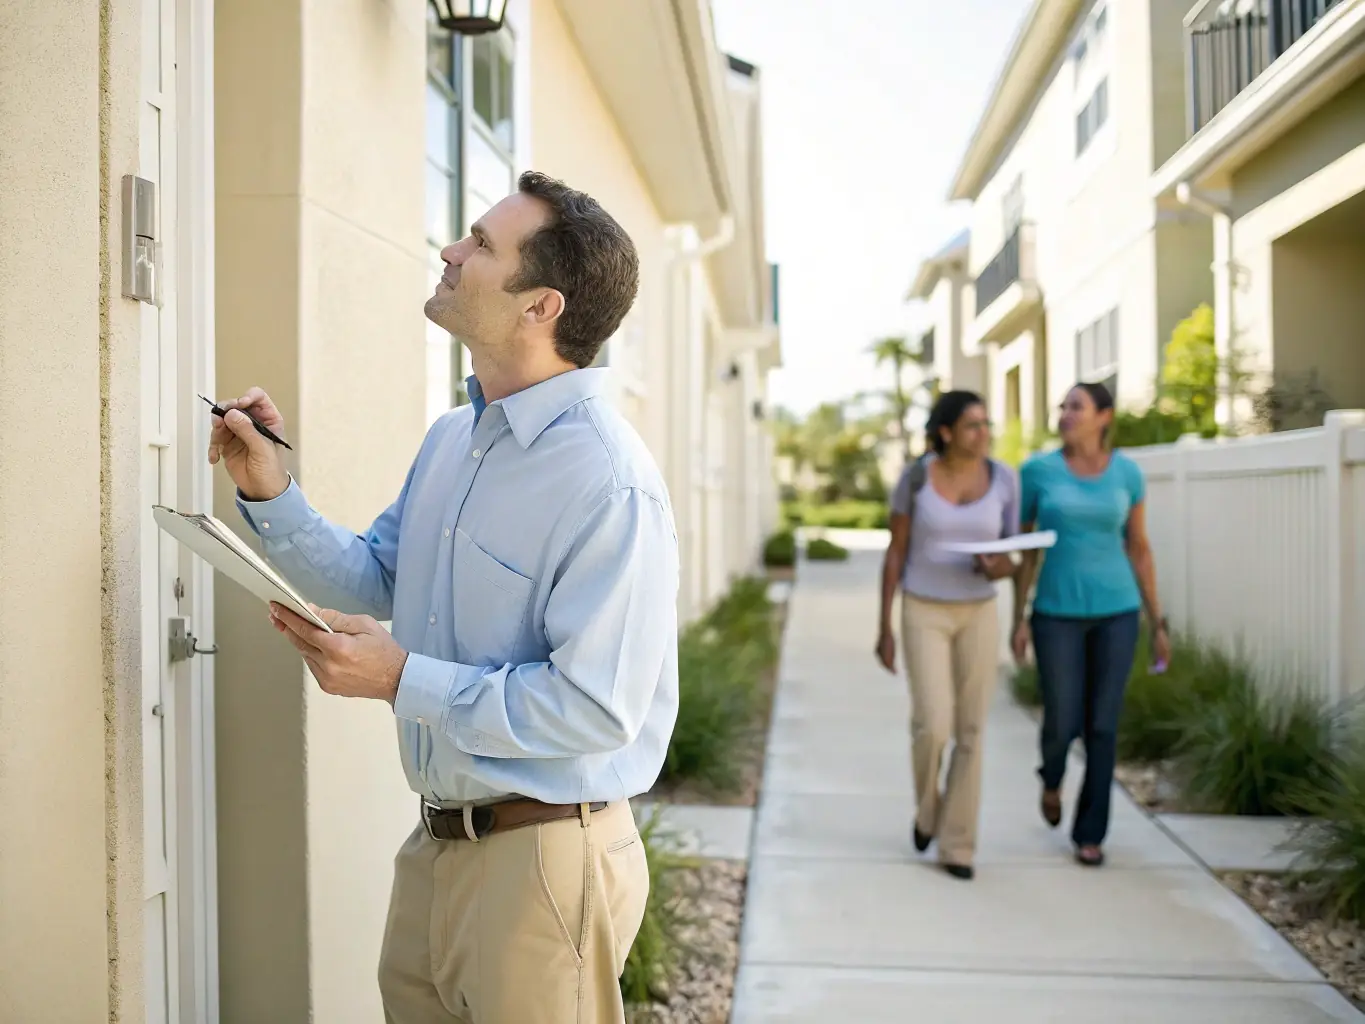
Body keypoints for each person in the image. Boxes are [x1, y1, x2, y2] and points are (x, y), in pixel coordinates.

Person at [207, 171, 678, 1023]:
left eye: (481, 245)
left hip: (544, 862)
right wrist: (269, 488)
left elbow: (595, 709)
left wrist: (397, 680)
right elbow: (375, 579)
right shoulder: (453, 439)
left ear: (541, 306)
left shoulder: (609, 482)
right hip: (435, 849)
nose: (450, 251)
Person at [1011, 382, 1168, 868]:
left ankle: (1090, 833)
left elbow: (1138, 547)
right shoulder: (1038, 472)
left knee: (1102, 725)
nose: (1065, 413)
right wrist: (1018, 616)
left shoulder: (1127, 473)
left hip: (1117, 613)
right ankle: (1052, 777)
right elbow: (1025, 549)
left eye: (1076, 406)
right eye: (1063, 406)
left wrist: (1157, 620)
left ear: (1104, 416)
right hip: (1056, 613)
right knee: (1061, 719)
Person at [876, 391, 1021, 880]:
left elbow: (1011, 554)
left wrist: (997, 565)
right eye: (973, 425)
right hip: (924, 610)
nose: (983, 434)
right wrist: (884, 626)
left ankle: (958, 845)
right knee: (933, 726)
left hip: (979, 610)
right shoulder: (916, 479)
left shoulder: (1005, 479)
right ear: (946, 432)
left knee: (972, 731)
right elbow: (896, 552)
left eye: (986, 424)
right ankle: (927, 809)